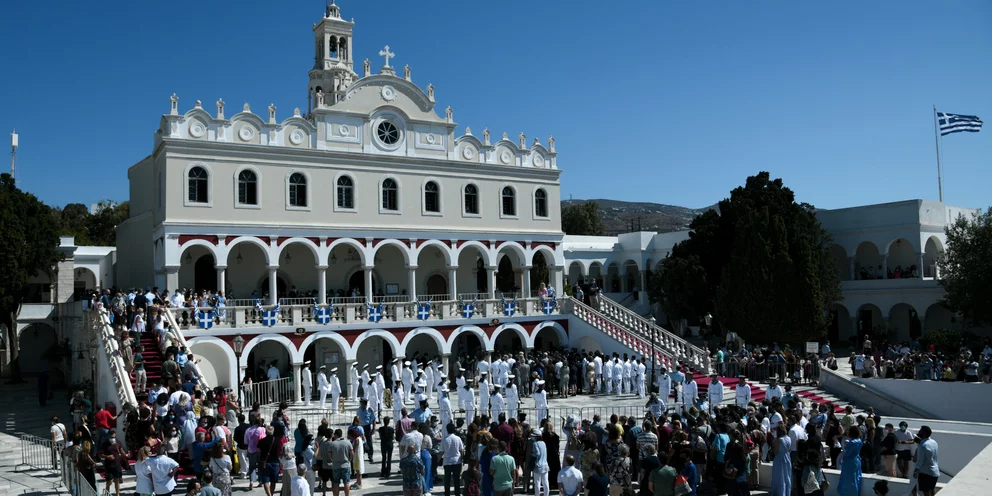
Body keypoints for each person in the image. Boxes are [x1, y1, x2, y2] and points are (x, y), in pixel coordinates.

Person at [439, 422, 464, 496]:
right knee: (456, 480)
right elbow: (461, 450)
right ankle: (457, 493)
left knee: (447, 480)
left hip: (447, 462)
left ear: (447, 430)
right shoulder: (458, 438)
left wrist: (438, 460)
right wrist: (462, 459)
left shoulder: (444, 440)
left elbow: (441, 452)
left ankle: (447, 494)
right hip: (457, 461)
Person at [837, 426, 863, 496]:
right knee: (856, 478)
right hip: (857, 460)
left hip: (850, 462)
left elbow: (847, 453)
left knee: (849, 481)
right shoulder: (859, 440)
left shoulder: (852, 442)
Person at [915, 426, 939, 496]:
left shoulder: (923, 445)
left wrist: (916, 471)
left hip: (925, 473)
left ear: (924, 433)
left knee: (926, 492)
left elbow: (920, 461)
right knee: (932, 490)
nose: (918, 432)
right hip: (935, 471)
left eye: (920, 431)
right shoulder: (934, 442)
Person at [770, 425, 792, 496]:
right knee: (786, 476)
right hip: (787, 457)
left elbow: (775, 452)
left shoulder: (778, 440)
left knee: (779, 477)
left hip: (779, 458)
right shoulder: (788, 438)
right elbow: (789, 449)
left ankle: (779, 493)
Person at [532, 429, 551, 496]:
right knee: (545, 482)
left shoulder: (535, 444)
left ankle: (537, 494)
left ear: (536, 437)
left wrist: (532, 454)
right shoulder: (543, 443)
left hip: (538, 466)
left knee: (537, 482)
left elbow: (537, 453)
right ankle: (546, 494)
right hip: (545, 465)